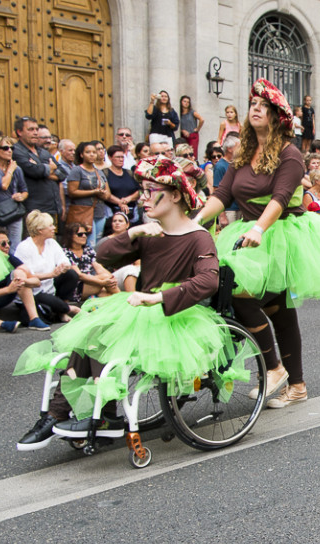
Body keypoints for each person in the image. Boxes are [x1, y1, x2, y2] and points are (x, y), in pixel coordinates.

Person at [13, 156, 234, 449]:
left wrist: (156, 297)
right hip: (142, 308)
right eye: (142, 191)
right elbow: (101, 255)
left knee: (101, 334)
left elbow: (207, 281)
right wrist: (133, 232)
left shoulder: (198, 237)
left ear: (177, 195)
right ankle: (79, 415)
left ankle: (74, 414)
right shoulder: (150, 232)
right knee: (92, 330)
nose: (144, 198)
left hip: (173, 313)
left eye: (151, 191)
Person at [193, 78, 320, 408]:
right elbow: (223, 194)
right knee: (279, 311)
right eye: (253, 104)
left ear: (278, 117)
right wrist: (193, 222)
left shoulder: (290, 154)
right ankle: (296, 385)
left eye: (264, 106)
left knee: (239, 293)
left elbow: (281, 197)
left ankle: (275, 369)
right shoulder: (244, 152)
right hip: (248, 233)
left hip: (282, 233)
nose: (256, 109)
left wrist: (259, 229)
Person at [13, 210, 80, 325]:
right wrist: (51, 274)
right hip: (33, 292)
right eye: (50, 226)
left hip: (51, 289)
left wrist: (62, 267)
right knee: (44, 301)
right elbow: (28, 276)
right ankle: (69, 309)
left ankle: (62, 310)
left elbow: (65, 261)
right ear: (40, 230)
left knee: (71, 274)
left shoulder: (51, 243)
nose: (54, 228)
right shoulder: (24, 247)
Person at [0, 135, 28, 250]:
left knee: (14, 247)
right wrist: (10, 170)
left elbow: (25, 190)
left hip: (14, 213)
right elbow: (3, 185)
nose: (10, 151)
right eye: (5, 148)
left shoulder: (17, 169)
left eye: (12, 148)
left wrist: (21, 196)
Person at [12, 117, 61, 222]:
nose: (35, 133)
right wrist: (50, 167)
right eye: (30, 130)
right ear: (19, 132)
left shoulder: (43, 152)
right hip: (32, 208)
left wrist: (44, 170)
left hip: (51, 206)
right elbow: (34, 171)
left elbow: (62, 173)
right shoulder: (16, 151)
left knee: (50, 238)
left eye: (36, 129)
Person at [65, 141, 111, 245]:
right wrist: (93, 192)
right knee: (89, 243)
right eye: (88, 152)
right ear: (81, 154)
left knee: (98, 242)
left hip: (99, 211)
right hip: (83, 212)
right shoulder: (77, 170)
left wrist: (103, 194)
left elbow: (108, 193)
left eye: (94, 152)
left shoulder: (99, 172)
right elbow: (72, 192)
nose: (92, 154)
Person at [59, 222, 117, 301]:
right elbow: (79, 275)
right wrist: (101, 282)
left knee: (106, 294)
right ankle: (127, 304)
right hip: (75, 287)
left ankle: (123, 306)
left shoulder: (88, 250)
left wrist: (111, 278)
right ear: (71, 236)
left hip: (91, 282)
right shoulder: (65, 252)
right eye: (80, 234)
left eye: (85, 234)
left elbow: (99, 268)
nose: (84, 236)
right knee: (105, 279)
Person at [104, 145, 141, 224]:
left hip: (132, 212)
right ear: (110, 157)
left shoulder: (129, 173)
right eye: (117, 157)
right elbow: (105, 193)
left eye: (122, 157)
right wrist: (119, 202)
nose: (121, 159)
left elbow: (139, 190)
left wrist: (129, 198)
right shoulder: (104, 173)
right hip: (112, 213)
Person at [178, 95, 204, 161]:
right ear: (181, 102)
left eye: (188, 102)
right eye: (184, 101)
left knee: (193, 152)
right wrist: (182, 130)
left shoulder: (192, 112)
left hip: (192, 135)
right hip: (183, 136)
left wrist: (198, 128)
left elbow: (202, 119)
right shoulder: (179, 113)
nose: (186, 103)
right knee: (183, 152)